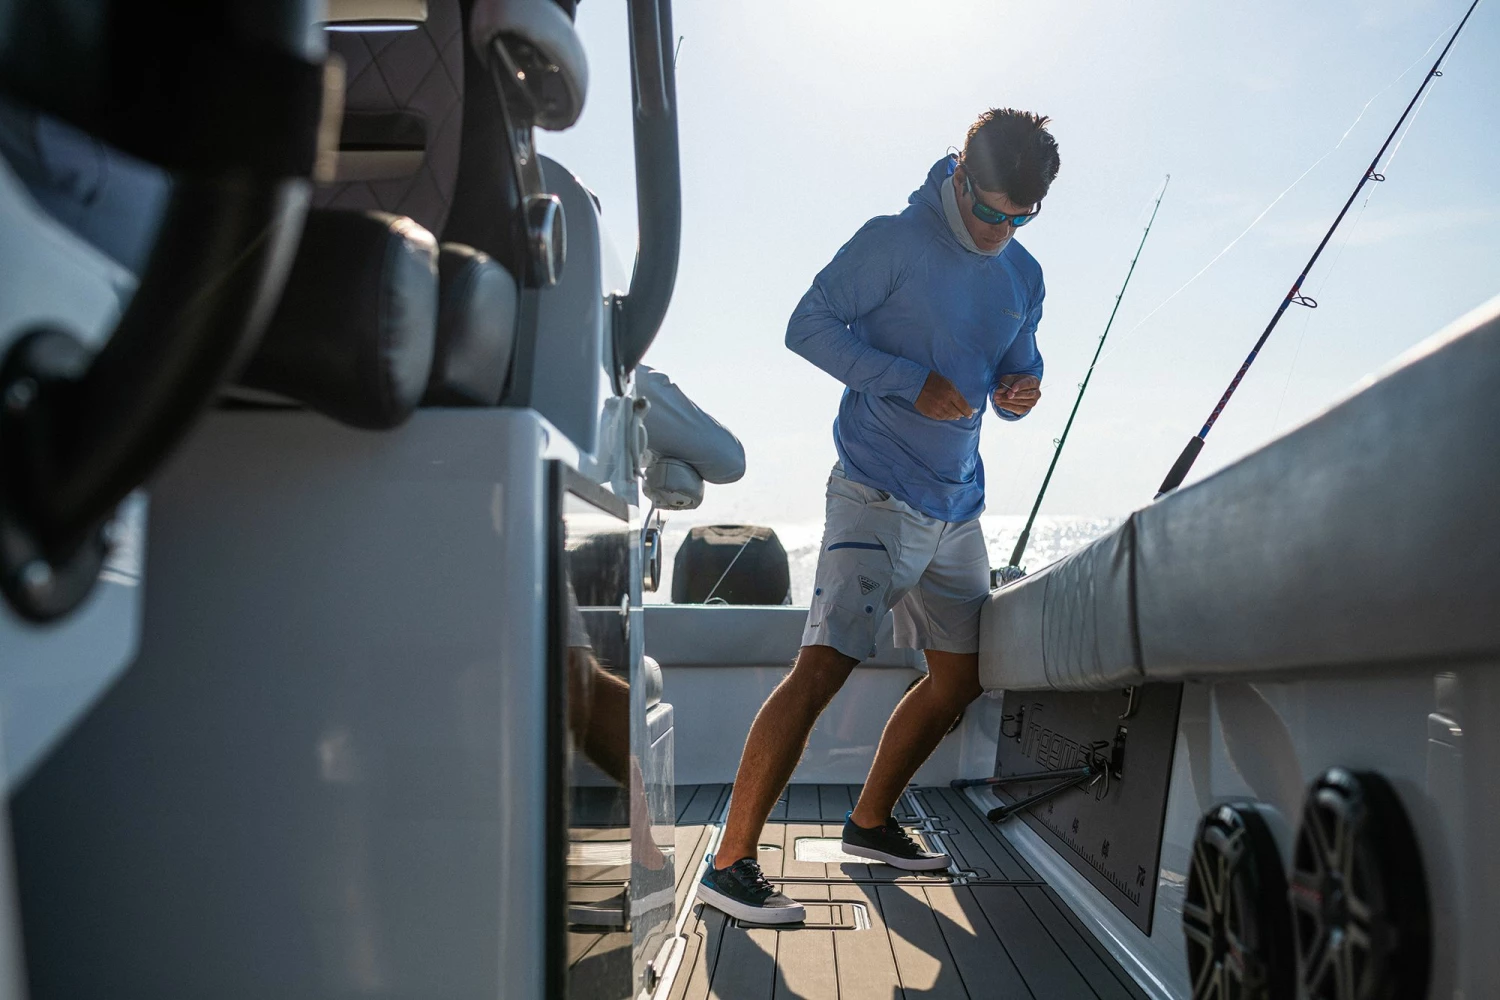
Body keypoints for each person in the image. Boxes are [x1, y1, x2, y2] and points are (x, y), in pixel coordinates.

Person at [696, 108, 1060, 924]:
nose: (1000, 230)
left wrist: (1023, 392)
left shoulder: (1023, 274)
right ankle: (729, 864)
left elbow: (1019, 365)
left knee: (957, 680)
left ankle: (869, 824)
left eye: (1019, 217)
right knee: (823, 666)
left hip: (959, 507)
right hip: (872, 491)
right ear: (960, 176)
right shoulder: (890, 241)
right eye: (989, 210)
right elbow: (807, 326)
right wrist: (903, 378)